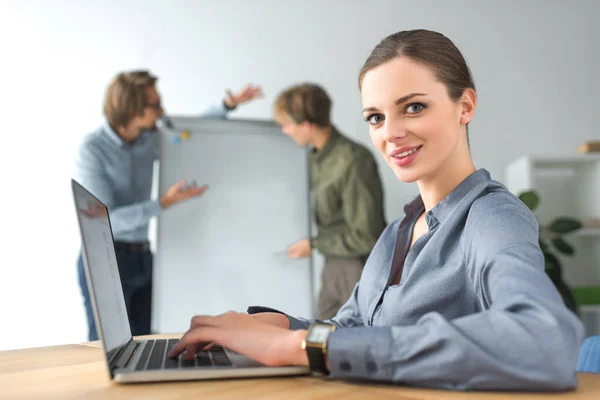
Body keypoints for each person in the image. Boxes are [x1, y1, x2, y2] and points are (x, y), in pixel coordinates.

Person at [168, 30, 584, 391]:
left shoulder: (491, 217)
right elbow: (352, 329)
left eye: (414, 107)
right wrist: (283, 326)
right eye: (375, 117)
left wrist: (301, 348)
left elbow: (545, 339)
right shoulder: (398, 231)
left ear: (465, 106)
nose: (390, 133)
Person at [74, 70, 263, 341]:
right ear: (132, 110)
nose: (162, 110)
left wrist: (227, 105)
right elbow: (106, 220)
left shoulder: (148, 139)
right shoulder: (93, 149)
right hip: (104, 257)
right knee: (104, 347)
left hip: (141, 257)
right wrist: (164, 203)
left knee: (141, 343)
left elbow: (187, 128)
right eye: (155, 105)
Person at [273, 83, 387, 319]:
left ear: (305, 125)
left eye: (287, 125)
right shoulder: (313, 157)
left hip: (357, 266)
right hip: (333, 264)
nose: (285, 131)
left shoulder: (354, 160)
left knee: (353, 342)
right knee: (320, 337)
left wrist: (314, 244)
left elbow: (367, 236)